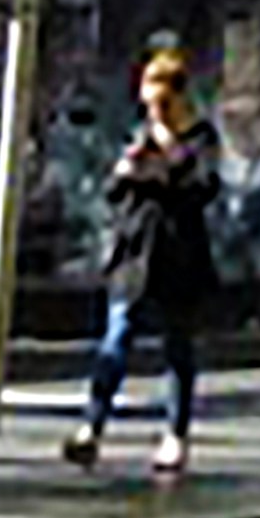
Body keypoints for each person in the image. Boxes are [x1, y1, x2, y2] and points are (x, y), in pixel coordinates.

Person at [67, 42, 229, 477]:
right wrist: (130, 171)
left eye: (163, 102)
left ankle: (175, 434)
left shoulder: (200, 139)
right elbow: (114, 192)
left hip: (179, 255)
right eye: (150, 101)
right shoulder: (135, 135)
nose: (156, 111)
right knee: (116, 340)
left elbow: (203, 187)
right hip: (135, 254)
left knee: (178, 347)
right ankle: (92, 428)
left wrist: (161, 162)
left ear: (179, 98)